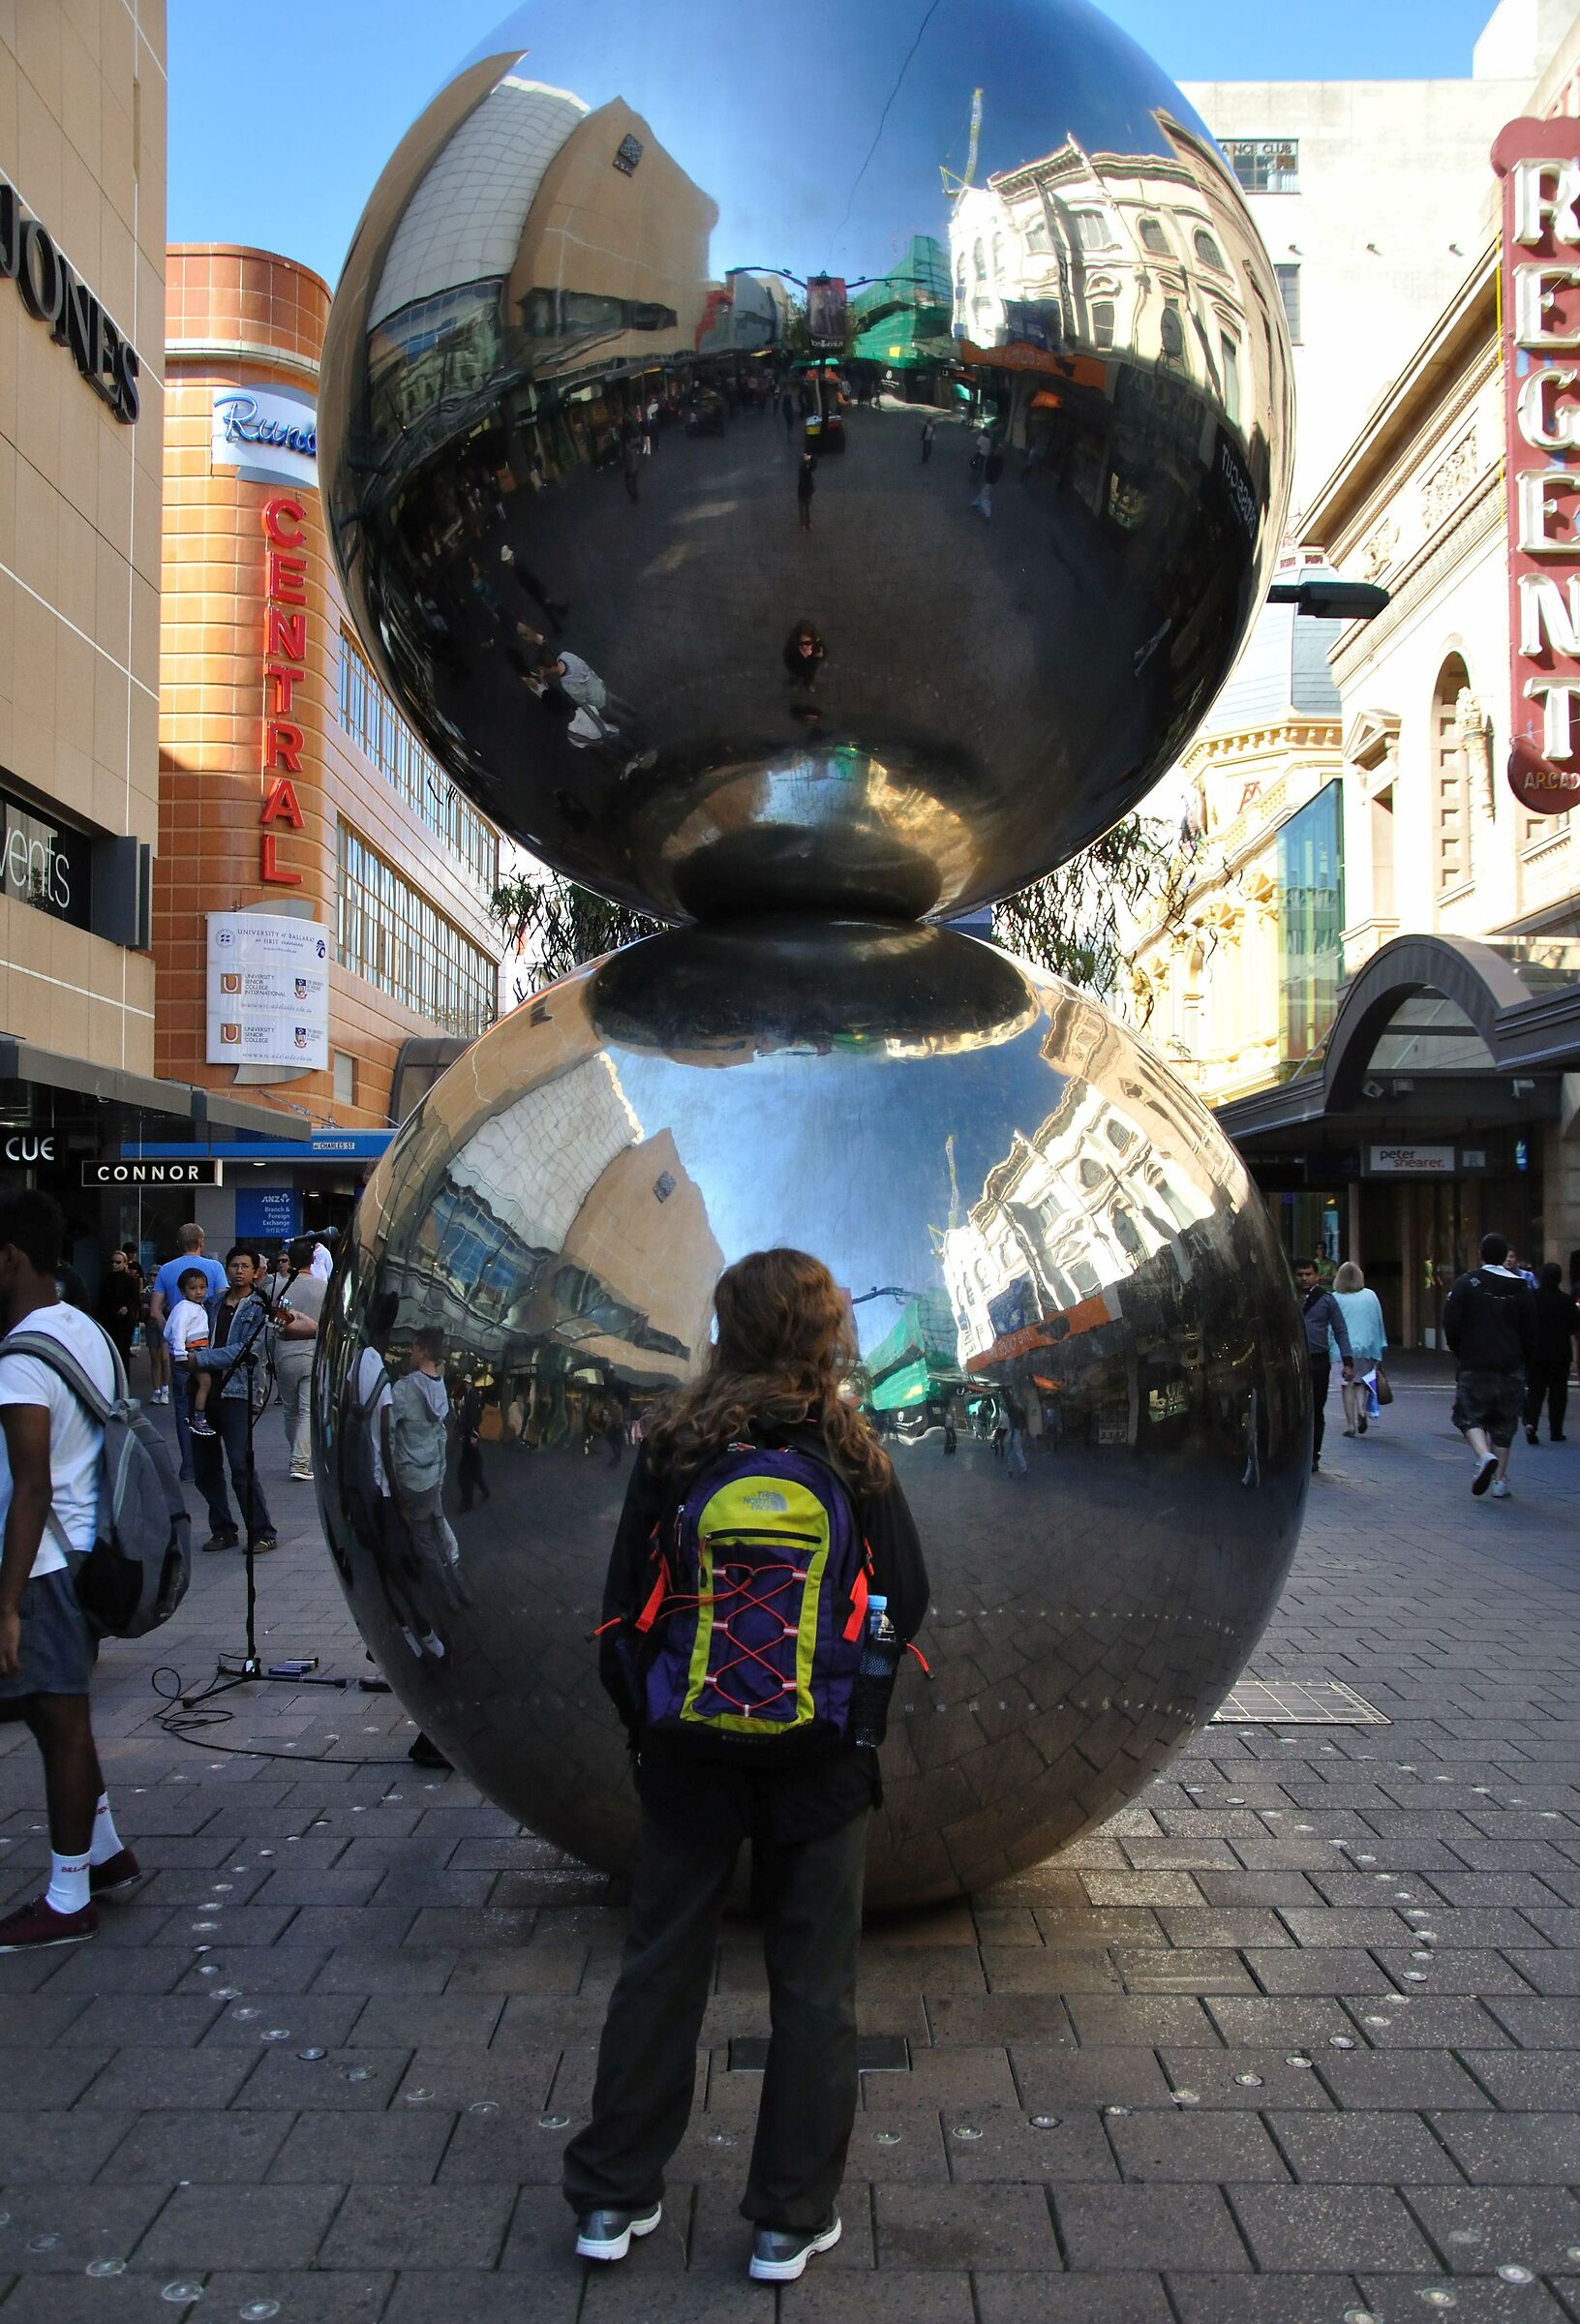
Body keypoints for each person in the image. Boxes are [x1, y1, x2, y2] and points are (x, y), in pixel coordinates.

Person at [562, 1248, 928, 2282]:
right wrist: (857, 1716)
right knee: (815, 1992)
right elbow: (907, 1594)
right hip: (820, 1762)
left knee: (661, 1966)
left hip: (687, 1756)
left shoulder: (676, 1446)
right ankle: (785, 2217)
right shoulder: (852, 1450)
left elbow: (617, 1610)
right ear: (823, 1334)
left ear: (724, 1329)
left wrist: (649, 1722)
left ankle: (610, 2197)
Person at [0, 1190, 140, 1951]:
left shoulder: (22, 1357)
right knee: (54, 1715)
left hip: (47, 1563)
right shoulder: (85, 1331)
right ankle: (107, 1849)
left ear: (10, 1258)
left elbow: (30, 1487)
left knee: (60, 1721)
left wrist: (7, 1603)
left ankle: (67, 1896)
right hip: (92, 1552)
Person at [190, 1246, 278, 1555]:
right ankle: (223, 1529)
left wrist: (201, 1359)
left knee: (240, 1465)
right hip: (204, 1392)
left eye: (245, 1266)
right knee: (205, 1467)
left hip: (237, 1393)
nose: (238, 1270)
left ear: (256, 1272)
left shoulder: (259, 1306)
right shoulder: (212, 1303)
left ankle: (262, 1530)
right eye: (233, 1265)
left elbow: (247, 1350)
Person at [1443, 1232, 1537, 1499]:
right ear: (1504, 1257)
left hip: (1475, 1362)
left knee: (1467, 1415)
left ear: (1481, 1254)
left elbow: (1451, 1322)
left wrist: (1459, 1350)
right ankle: (1500, 1481)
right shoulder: (1521, 1288)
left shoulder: (1466, 1284)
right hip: (1511, 1366)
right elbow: (1531, 1331)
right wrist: (1525, 1361)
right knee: (1504, 1423)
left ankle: (1483, 1455)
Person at [389, 1327, 461, 1577]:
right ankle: (454, 1563)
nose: (410, 1353)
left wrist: (392, 1479)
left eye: (414, 1349)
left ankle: (443, 1588)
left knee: (422, 1534)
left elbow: (389, 1437)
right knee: (438, 1521)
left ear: (423, 1351)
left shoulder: (403, 1389)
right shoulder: (441, 1387)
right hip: (433, 1470)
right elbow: (442, 1435)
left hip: (410, 1474)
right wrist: (441, 1470)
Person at [265, 1237, 325, 1482]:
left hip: (283, 1354)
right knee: (307, 1411)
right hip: (312, 1354)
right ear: (313, 1259)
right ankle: (300, 1461)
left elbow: (269, 1327)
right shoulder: (323, 1287)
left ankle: (296, 1455)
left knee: (290, 1410)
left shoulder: (276, 1288)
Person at [147, 1224, 226, 1414]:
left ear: (178, 1243)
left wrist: (173, 1337)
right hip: (208, 1345)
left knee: (182, 1403)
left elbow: (155, 1311)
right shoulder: (214, 1267)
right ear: (201, 1242)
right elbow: (223, 1304)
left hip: (180, 1349)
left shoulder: (165, 1269)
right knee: (210, 1397)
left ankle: (187, 1442)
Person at [1292, 1258, 1353, 1474]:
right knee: (1292, 1409)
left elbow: (1340, 1330)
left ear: (1316, 1275)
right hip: (1292, 1361)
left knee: (1316, 1409)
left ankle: (1313, 1455)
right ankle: (1295, 1452)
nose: (1304, 1278)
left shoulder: (1326, 1300)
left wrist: (1348, 1361)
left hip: (1318, 1360)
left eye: (1308, 1274)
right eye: (1300, 1274)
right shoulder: (1287, 1298)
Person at [1525, 1261, 1580, 1444]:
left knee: (1535, 1391)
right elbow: (1574, 1325)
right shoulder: (1565, 1300)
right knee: (1558, 1393)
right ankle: (1556, 1430)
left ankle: (1531, 1423)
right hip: (1560, 1353)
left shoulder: (1532, 1298)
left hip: (1536, 1353)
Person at [1331, 1260, 1386, 1438]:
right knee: (1361, 1382)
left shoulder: (1335, 1298)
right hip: (1367, 1347)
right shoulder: (1370, 1295)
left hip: (1343, 1349)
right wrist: (1379, 1345)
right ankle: (1362, 1411)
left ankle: (1350, 1425)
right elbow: (1378, 1321)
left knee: (1346, 1385)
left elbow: (1331, 1327)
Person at [165, 1265, 217, 1447]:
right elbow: (178, 1330)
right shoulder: (185, 1308)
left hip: (197, 1350)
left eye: (202, 1287)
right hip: (192, 1351)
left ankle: (191, 1416)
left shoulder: (194, 1307)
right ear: (183, 1290)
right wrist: (180, 1353)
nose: (199, 1292)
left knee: (193, 1387)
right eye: (193, 1288)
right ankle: (199, 1418)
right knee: (205, 1383)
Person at [94, 1247, 140, 1374]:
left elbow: (135, 1299)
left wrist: (127, 1307)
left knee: (123, 1353)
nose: (114, 1265)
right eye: (113, 1262)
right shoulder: (106, 1279)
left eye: (118, 1262)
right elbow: (101, 1300)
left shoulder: (130, 1281)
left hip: (124, 1323)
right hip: (108, 1321)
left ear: (125, 1264)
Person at [457, 1377, 490, 1513]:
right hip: (470, 1436)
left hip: (470, 1437)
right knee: (473, 1470)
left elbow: (474, 1416)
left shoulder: (472, 1396)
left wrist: (473, 1434)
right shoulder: (471, 1395)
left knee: (465, 1472)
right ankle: (483, 1491)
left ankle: (467, 1502)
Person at [783, 622, 826, 691]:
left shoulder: (816, 646)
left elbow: (824, 654)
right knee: (795, 677)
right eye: (801, 643)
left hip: (810, 671)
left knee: (809, 679)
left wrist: (821, 655)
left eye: (807, 643)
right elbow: (787, 658)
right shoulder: (792, 647)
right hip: (796, 669)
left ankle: (808, 684)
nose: (804, 646)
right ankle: (794, 683)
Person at [796, 452, 816, 532]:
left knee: (805, 509)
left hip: (805, 492)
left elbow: (814, 465)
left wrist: (810, 458)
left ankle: (805, 524)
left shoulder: (806, 469)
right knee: (804, 509)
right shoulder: (804, 469)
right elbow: (813, 466)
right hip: (804, 492)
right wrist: (809, 459)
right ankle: (805, 524)